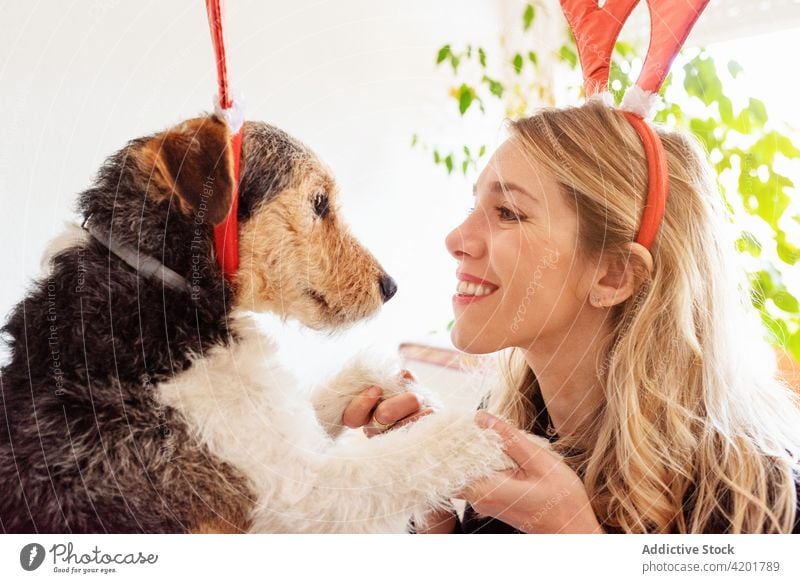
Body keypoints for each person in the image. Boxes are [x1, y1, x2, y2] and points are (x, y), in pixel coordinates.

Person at [340, 99, 800, 533]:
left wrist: (577, 541)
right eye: (473, 207)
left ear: (614, 275)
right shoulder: (514, 426)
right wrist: (433, 502)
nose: (457, 237)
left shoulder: (758, 492)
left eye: (508, 213)